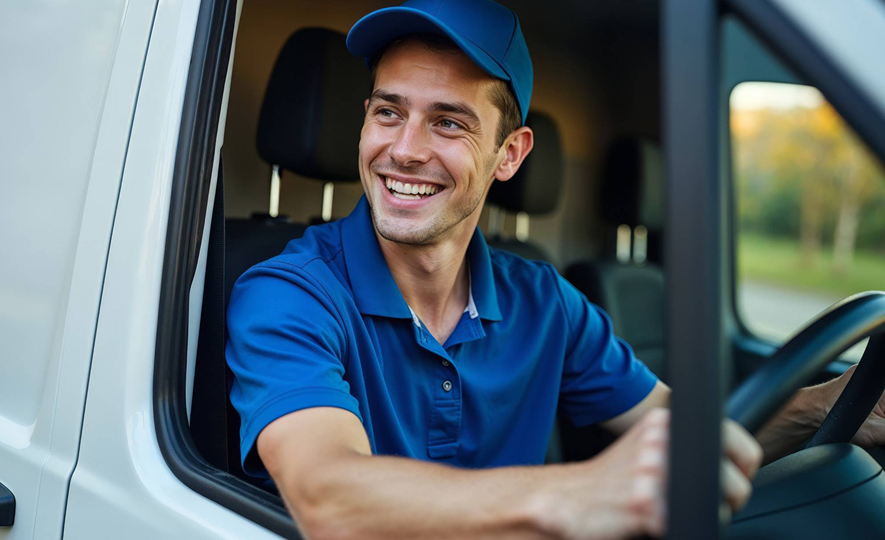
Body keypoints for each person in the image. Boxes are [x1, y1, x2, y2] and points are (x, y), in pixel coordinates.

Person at [226, 1, 884, 537]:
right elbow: (328, 496)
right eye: (388, 111)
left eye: (448, 123)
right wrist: (577, 493)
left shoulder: (546, 301)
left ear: (509, 154)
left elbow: (676, 432)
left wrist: (842, 402)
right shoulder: (289, 293)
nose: (403, 149)